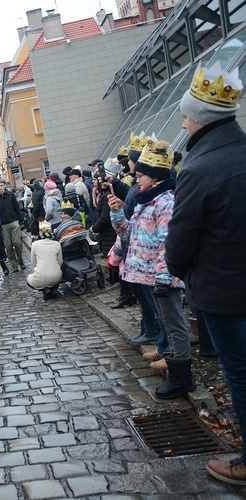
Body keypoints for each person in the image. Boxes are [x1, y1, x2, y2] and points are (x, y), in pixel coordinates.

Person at [166, 62, 246, 485]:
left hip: (224, 294)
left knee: (241, 375)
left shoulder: (197, 170)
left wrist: (182, 271)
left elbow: (178, 247)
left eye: (185, 113)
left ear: (199, 116)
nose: (182, 120)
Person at [108, 140, 193, 401]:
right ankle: (174, 364)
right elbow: (129, 233)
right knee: (167, 322)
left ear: (154, 177)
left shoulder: (165, 202)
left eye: (140, 175)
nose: (136, 179)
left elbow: (169, 242)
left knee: (175, 325)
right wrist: (117, 213)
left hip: (161, 277)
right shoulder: (148, 200)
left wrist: (165, 276)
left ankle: (182, 377)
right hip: (150, 276)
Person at [0, 179, 25, 272]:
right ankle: (14, 265)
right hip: (3, 224)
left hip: (13, 221)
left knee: (17, 243)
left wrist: (21, 220)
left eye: (1, 185)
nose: (0, 187)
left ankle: (21, 261)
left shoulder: (11, 195)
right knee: (9, 246)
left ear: (4, 186)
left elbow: (17, 208)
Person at [27, 221, 63, 300]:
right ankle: (53, 289)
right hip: (57, 277)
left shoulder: (35, 245)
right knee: (53, 274)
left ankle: (45, 290)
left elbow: (34, 263)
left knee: (29, 279)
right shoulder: (57, 244)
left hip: (40, 277)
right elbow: (60, 262)